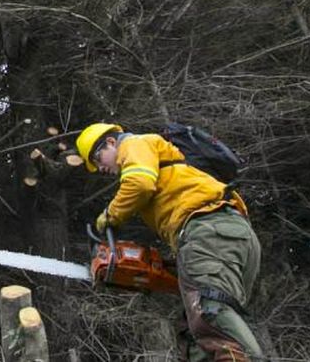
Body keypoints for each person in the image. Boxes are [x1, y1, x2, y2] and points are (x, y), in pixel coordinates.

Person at [76, 123, 263, 362]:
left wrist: (110, 215)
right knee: (195, 334)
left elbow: (140, 184)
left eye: (97, 157)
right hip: (228, 236)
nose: (100, 167)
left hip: (208, 229)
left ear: (111, 142)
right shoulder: (164, 165)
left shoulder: (134, 144)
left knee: (210, 313)